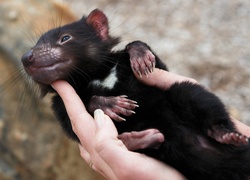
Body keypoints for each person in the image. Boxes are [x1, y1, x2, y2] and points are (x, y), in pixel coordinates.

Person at [52, 68, 250, 180]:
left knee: (184, 91)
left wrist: (138, 49)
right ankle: (217, 129)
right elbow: (74, 128)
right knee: (185, 91)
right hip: (201, 148)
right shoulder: (61, 103)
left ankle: (217, 128)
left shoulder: (124, 59)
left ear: (99, 28)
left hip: (196, 142)